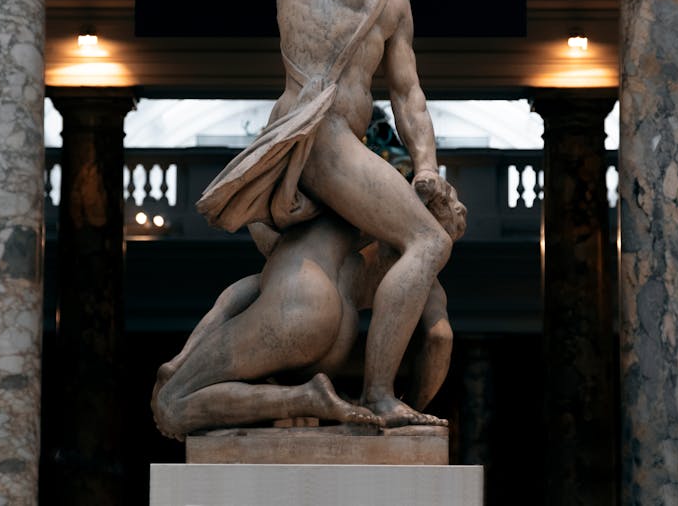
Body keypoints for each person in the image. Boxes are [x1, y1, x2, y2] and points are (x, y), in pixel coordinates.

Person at [193, 0, 450, 426]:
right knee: (427, 243)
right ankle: (380, 395)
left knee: (346, 264)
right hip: (318, 135)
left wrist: (425, 165)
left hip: (341, 144)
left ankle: (301, 374)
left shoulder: (391, 2)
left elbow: (410, 95)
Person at [152, 179, 466, 440]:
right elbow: (440, 338)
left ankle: (305, 399)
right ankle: (303, 400)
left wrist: (182, 358)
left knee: (170, 406)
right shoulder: (419, 269)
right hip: (340, 335)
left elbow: (241, 291)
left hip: (301, 302)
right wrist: (409, 407)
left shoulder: (354, 206)